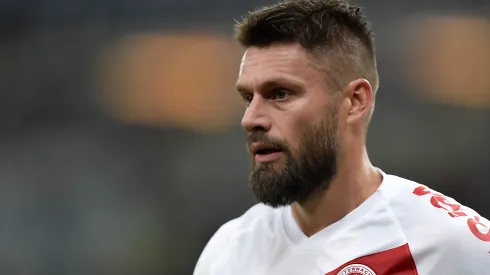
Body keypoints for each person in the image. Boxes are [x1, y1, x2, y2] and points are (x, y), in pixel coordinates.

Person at [193, 0, 490, 274]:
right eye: (248, 97)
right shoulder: (228, 252)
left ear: (356, 101)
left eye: (280, 94)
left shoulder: (451, 245)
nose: (250, 119)